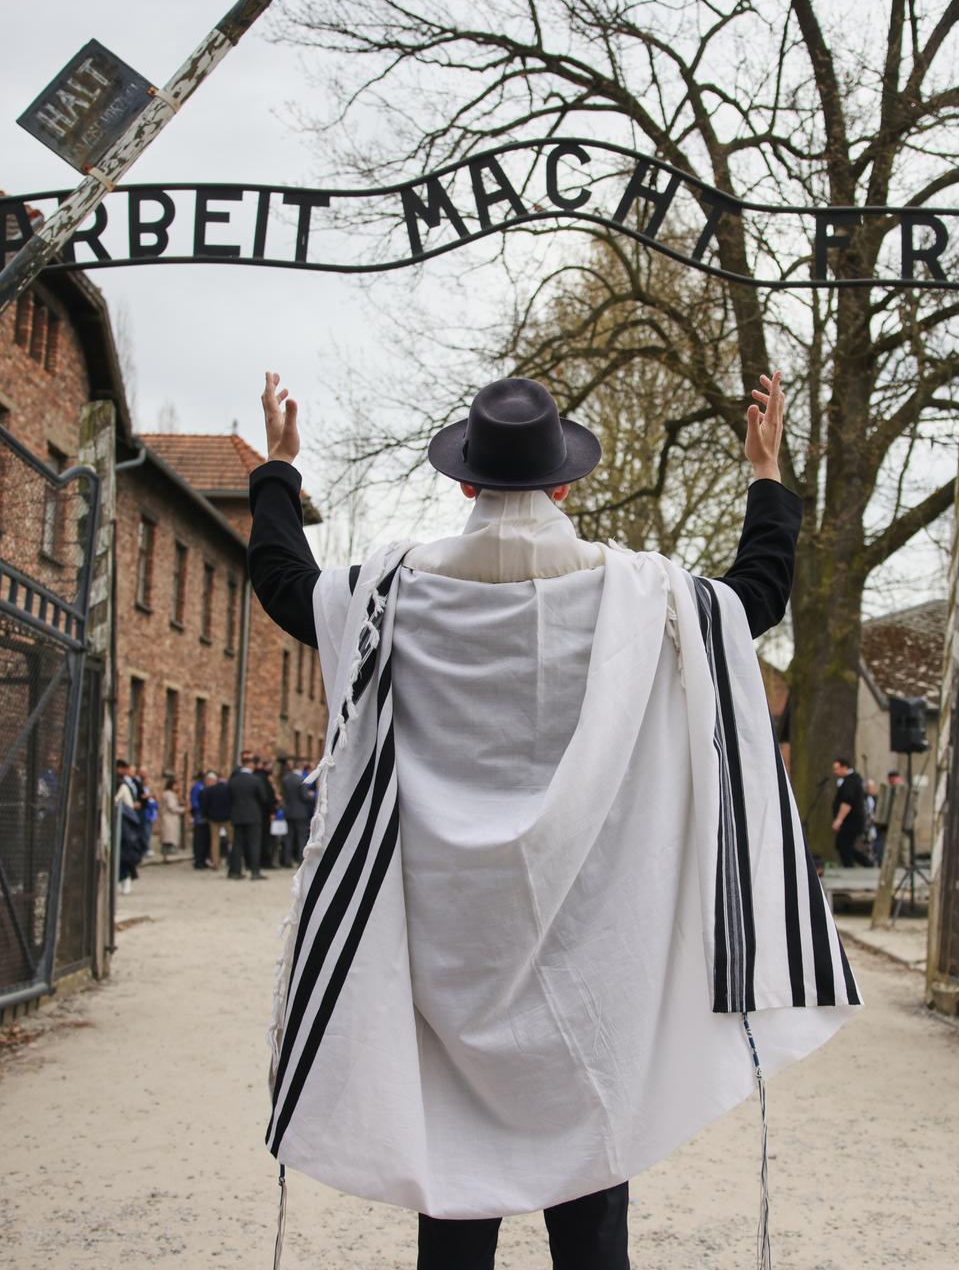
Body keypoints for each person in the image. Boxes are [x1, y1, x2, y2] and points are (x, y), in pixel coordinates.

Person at [250, 369, 861, 1269]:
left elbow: (282, 581)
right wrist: (763, 475)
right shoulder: (640, 599)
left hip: (442, 954)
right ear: (565, 482)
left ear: (463, 481)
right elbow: (755, 596)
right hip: (590, 955)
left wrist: (277, 470)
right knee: (592, 1217)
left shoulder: (392, 598)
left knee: (453, 1194)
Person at [229, 750, 269, 880]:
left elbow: (229, 797)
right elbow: (263, 798)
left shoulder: (234, 780)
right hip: (253, 815)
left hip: (237, 815)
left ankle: (235, 871)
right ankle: (254, 871)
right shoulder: (255, 780)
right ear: (250, 765)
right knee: (254, 844)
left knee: (237, 844)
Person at [831, 756, 872, 868]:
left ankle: (854, 865)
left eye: (837, 769)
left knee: (843, 844)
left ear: (845, 767)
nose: (835, 772)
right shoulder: (850, 780)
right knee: (843, 844)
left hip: (851, 820)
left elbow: (847, 802)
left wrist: (839, 820)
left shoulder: (851, 781)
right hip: (850, 820)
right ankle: (866, 863)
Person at [115, 759, 144, 894]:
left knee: (122, 854)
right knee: (123, 854)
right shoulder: (124, 785)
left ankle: (125, 878)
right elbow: (130, 805)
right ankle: (124, 879)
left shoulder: (122, 785)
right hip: (122, 825)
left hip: (121, 825)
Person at [279, 758, 311, 866]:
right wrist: (311, 795)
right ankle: (300, 860)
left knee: (288, 837)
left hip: (288, 811)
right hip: (301, 812)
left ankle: (287, 860)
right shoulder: (303, 780)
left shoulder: (286, 779)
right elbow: (304, 796)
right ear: (301, 767)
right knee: (301, 837)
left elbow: (284, 795)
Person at [204, 769, 232, 870]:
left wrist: (207, 815)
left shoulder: (210, 790)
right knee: (232, 840)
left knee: (215, 841)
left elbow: (206, 804)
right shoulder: (229, 789)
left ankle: (215, 862)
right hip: (227, 817)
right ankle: (234, 860)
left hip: (214, 817)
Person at [191, 771, 214, 869]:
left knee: (205, 839)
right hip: (200, 816)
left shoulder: (205, 788)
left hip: (205, 815)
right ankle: (199, 860)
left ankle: (203, 860)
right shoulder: (198, 787)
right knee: (200, 839)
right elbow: (194, 802)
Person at [159, 775, 184, 859]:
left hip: (167, 818)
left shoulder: (167, 794)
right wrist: (183, 809)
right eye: (176, 785)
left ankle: (165, 857)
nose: (177, 787)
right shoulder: (169, 795)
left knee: (166, 839)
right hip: (169, 819)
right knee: (168, 839)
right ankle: (167, 856)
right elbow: (172, 807)